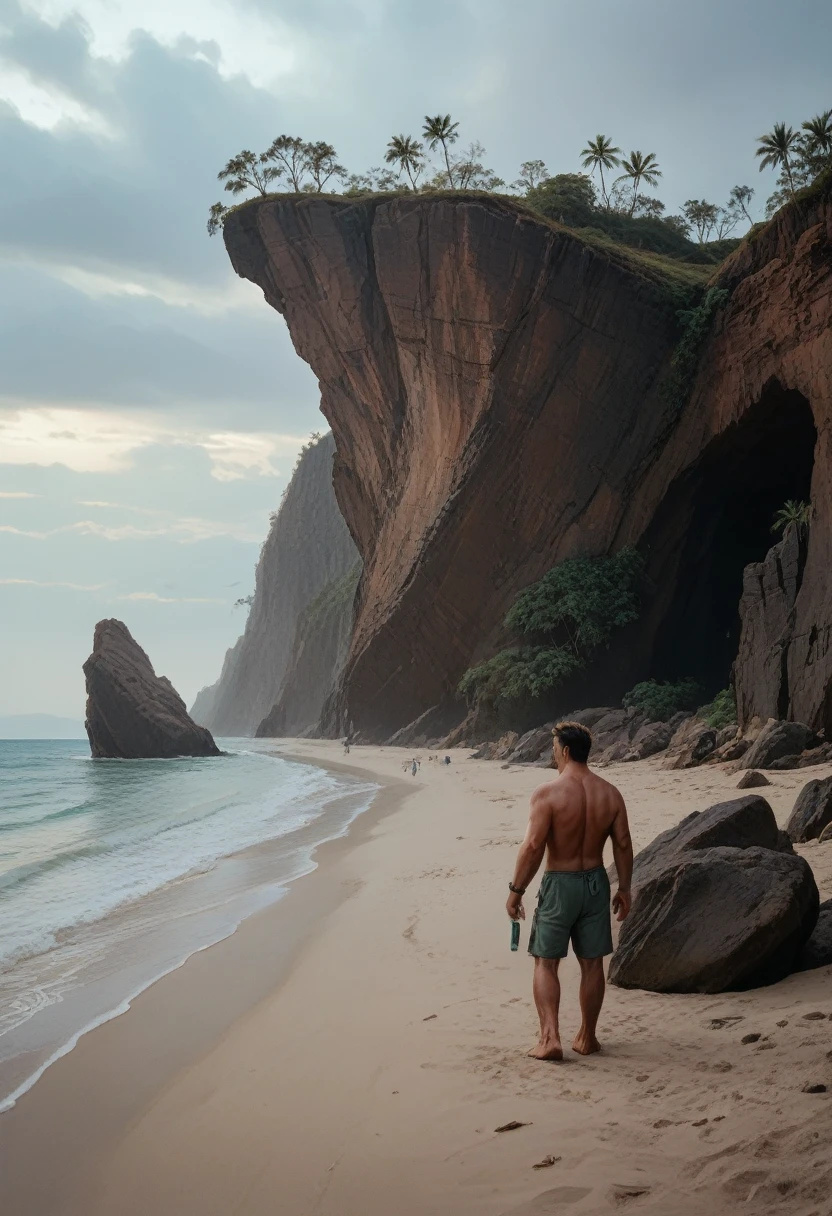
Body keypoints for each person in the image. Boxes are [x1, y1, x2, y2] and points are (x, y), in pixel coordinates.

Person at [505, 721, 633, 1062]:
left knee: (546, 963)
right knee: (592, 965)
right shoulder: (610, 793)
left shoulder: (548, 793)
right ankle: (587, 1038)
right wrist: (626, 888)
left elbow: (533, 846)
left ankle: (549, 1039)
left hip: (560, 884)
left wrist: (516, 891)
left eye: (553, 749)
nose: (553, 754)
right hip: (595, 883)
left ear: (563, 751)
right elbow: (622, 843)